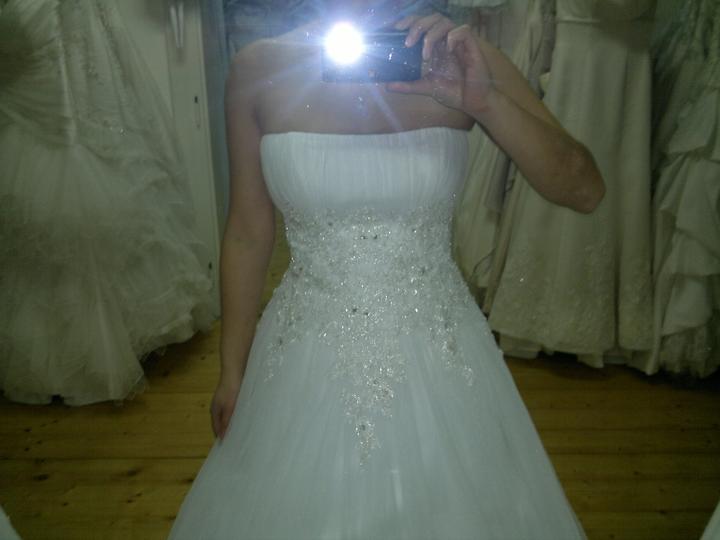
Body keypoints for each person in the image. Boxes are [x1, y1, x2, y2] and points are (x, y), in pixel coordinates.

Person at [169, 1, 604, 538]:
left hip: (442, 356)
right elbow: (246, 231)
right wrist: (232, 370)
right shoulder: (260, 68)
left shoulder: (459, 57)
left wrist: (484, 100)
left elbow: (584, 189)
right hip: (301, 355)